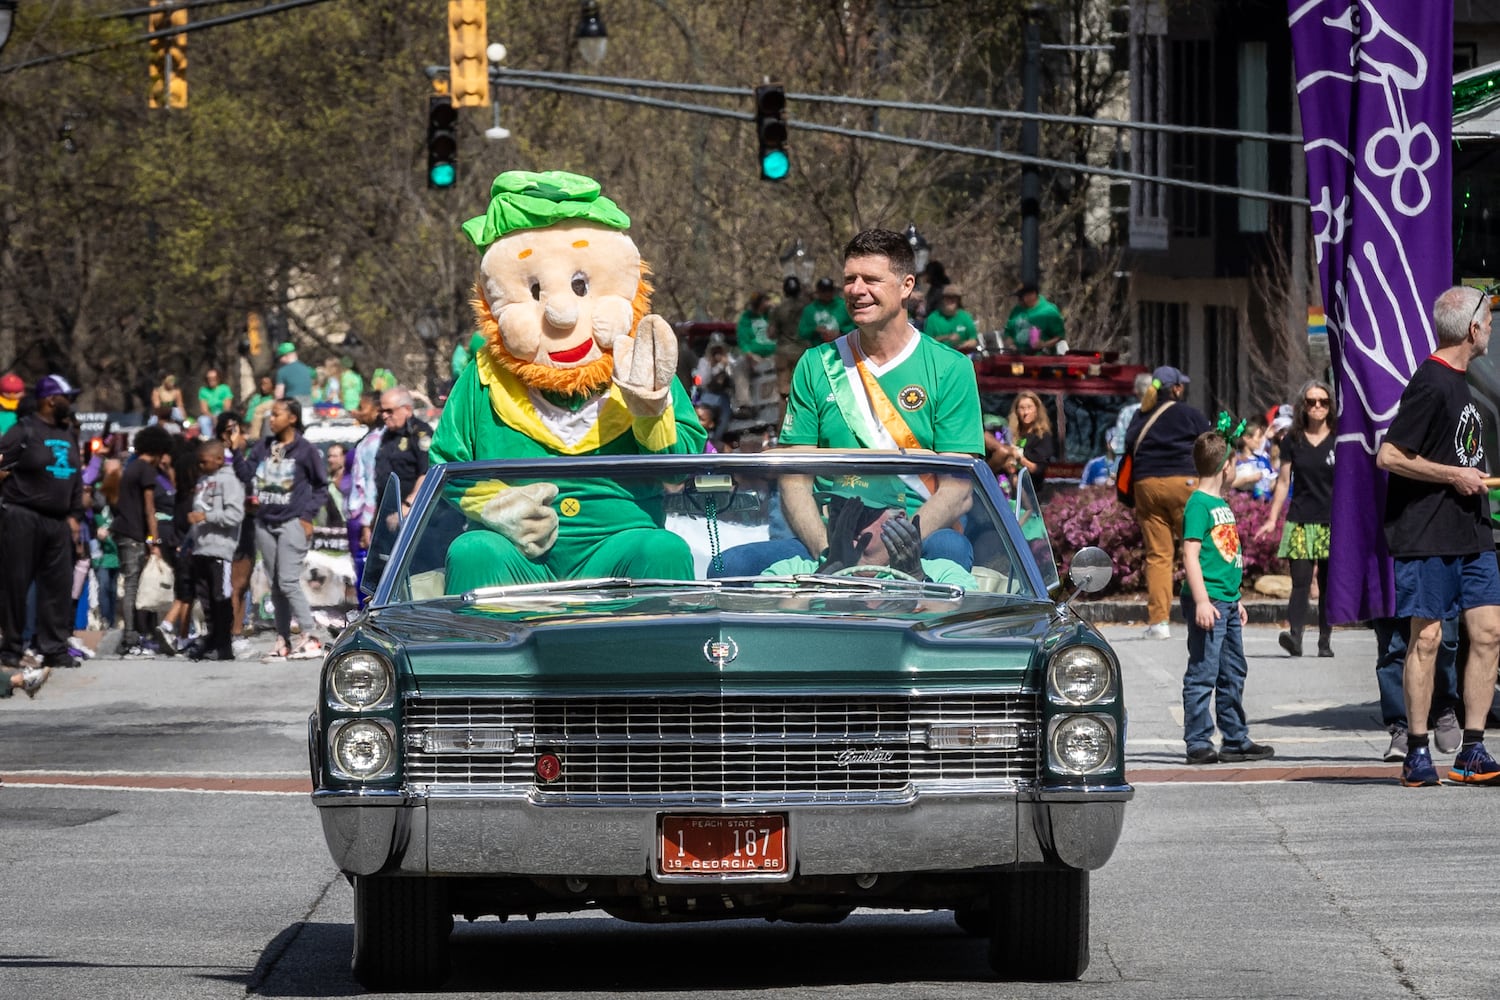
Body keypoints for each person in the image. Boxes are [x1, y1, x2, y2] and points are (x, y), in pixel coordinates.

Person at [715, 228, 983, 577]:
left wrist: (896, 547)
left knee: (952, 549)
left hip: (915, 537)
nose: (856, 290)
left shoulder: (951, 368)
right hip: (832, 534)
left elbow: (958, 489)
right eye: (850, 279)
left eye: (871, 279)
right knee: (730, 567)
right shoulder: (816, 364)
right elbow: (795, 478)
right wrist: (827, 551)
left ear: (906, 286)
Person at [1375, 285, 1500, 787]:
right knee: (1425, 640)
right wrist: (1453, 475)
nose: (1490, 329)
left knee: (1488, 635)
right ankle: (1418, 749)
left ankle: (1472, 749)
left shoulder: (1465, 382)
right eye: (1488, 322)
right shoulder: (1430, 381)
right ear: (1472, 329)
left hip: (1472, 531)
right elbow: (1389, 456)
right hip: (1426, 534)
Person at [1180, 429, 1275, 765]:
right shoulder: (1199, 505)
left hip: (1226, 601)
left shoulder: (1220, 504)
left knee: (1233, 670)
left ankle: (1235, 739)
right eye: (1234, 463)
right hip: (1208, 602)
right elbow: (1190, 555)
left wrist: (1235, 598)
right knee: (1203, 672)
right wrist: (1202, 600)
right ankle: (1198, 741)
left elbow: (1223, 558)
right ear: (1225, 467)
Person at [0, 374, 86, 671]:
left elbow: (76, 477)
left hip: (57, 521)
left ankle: (54, 648)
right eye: (67, 397)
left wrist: (75, 515)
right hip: (22, 516)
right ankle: (11, 648)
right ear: (50, 400)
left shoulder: (68, 434)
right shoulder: (22, 431)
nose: (71, 403)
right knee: (15, 584)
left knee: (57, 587)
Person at [1124, 366, 1212, 639]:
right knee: (1197, 548)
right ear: (1175, 389)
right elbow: (1209, 444)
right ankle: (1208, 609)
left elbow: (1127, 445)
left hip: (1146, 485)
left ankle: (1159, 622)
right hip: (1183, 482)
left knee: (1158, 556)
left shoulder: (1140, 415)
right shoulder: (1189, 413)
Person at [1255, 380, 1336, 656]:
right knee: (1300, 582)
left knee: (1328, 584)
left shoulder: (1340, 437)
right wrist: (1272, 518)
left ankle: (1325, 642)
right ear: (1303, 406)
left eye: (1323, 402)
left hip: (1332, 522)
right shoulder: (1293, 439)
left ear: (1330, 406)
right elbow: (1283, 481)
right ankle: (1296, 637)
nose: (1317, 407)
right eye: (1312, 402)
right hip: (1300, 519)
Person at [248, 398, 329, 660]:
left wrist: (308, 516)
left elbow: (321, 486)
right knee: (276, 585)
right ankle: (282, 640)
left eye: (277, 415)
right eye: (270, 415)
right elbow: (247, 472)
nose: (271, 419)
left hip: (292, 522)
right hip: (265, 522)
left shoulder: (305, 450)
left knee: (288, 580)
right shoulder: (264, 446)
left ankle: (311, 635)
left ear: (292, 418)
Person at [762, 494, 978, 587]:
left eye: (861, 514)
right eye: (839, 511)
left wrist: (915, 580)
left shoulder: (945, 574)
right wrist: (828, 572)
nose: (847, 524)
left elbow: (959, 627)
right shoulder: (788, 572)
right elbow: (769, 623)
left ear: (900, 520)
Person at [114, 424, 174, 657]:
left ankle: (136, 634)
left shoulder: (132, 467)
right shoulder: (147, 470)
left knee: (133, 584)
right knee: (132, 586)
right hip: (133, 534)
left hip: (124, 531)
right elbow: (150, 509)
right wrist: (155, 541)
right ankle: (131, 638)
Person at [182, 439, 244, 661]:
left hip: (220, 549)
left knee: (221, 598)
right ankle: (212, 639)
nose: (200, 467)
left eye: (203, 462)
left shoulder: (230, 482)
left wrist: (207, 517)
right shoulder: (203, 481)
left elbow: (236, 515)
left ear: (219, 459)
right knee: (205, 599)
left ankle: (224, 645)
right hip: (201, 548)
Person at [215, 412, 256, 655]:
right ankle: (227, 632)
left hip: (246, 522)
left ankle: (238, 630)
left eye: (241, 430)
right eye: (233, 430)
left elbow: (249, 477)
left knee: (243, 582)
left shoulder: (245, 456)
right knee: (229, 584)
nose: (240, 435)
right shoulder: (216, 457)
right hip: (224, 527)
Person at [373, 387, 433, 515]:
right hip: (386, 510)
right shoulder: (388, 435)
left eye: (389, 411)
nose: (384, 416)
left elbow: (427, 473)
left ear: (407, 409)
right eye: (382, 411)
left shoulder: (420, 433)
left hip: (412, 513)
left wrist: (407, 507)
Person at [347, 390, 383, 602]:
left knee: (367, 570)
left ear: (377, 410)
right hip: (357, 513)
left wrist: (366, 523)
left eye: (362, 408)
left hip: (365, 515)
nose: (356, 412)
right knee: (359, 568)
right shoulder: (367, 438)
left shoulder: (378, 442)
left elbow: (371, 483)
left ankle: (367, 612)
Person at [988, 390, 1057, 493]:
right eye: (1022, 408)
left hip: (1029, 490)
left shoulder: (1042, 436)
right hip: (1001, 483)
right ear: (1016, 411)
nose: (1025, 413)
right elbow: (986, 436)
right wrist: (1006, 454)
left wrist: (1019, 458)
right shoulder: (1009, 432)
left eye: (1029, 408)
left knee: (1015, 479)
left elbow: (1036, 469)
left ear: (1037, 410)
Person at [768, 275, 810, 423]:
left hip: (783, 353)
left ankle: (784, 428)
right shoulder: (807, 306)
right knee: (804, 391)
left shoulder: (778, 309)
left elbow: (771, 333)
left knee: (784, 393)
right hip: (803, 353)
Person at [1002, 282, 1066, 354]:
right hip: (1017, 360)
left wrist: (1044, 344)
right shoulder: (1016, 310)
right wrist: (1011, 345)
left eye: (1021, 297)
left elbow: (1059, 337)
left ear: (1032, 294)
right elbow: (1008, 332)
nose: (1019, 300)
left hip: (1040, 360)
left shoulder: (1049, 312)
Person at [798, 276, 855, 346]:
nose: (827, 294)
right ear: (818, 292)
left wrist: (841, 332)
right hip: (819, 349)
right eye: (824, 291)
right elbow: (802, 332)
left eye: (829, 290)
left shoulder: (843, 306)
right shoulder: (809, 310)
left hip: (843, 347)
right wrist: (814, 330)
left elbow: (856, 326)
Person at [1231, 416, 1276, 501]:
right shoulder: (1236, 459)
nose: (1262, 440)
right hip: (1245, 506)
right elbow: (1228, 484)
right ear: (1247, 438)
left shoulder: (1263, 459)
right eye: (1259, 436)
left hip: (1266, 506)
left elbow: (1271, 482)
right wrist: (1248, 479)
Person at [922, 285, 979, 353]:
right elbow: (927, 342)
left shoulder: (965, 317)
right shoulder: (932, 319)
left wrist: (962, 345)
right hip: (940, 354)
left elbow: (973, 340)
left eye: (954, 298)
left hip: (961, 355)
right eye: (947, 297)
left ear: (958, 300)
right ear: (942, 299)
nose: (951, 300)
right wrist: (947, 337)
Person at [197, 368, 234, 437]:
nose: (211, 380)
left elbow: (227, 408)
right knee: (202, 420)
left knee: (227, 421)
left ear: (218, 378)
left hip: (223, 414)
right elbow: (204, 410)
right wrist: (213, 417)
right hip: (210, 415)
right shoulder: (203, 391)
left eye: (214, 378)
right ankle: (208, 440)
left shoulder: (225, 388)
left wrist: (220, 417)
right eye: (209, 378)